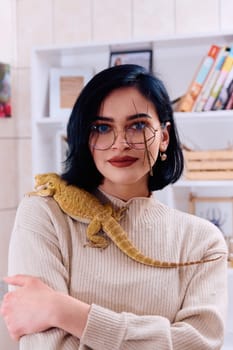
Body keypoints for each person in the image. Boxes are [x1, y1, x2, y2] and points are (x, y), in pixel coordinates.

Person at [0, 64, 228, 349]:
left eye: (138, 125)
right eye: (102, 127)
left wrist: (64, 311)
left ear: (164, 137)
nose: (120, 143)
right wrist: (162, 338)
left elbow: (200, 343)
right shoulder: (45, 212)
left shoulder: (203, 242)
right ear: (84, 138)